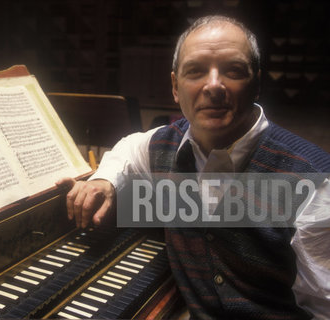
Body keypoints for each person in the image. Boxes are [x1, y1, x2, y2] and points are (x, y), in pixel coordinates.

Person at [57, 15, 330, 319]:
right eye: (196, 71)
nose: (214, 86)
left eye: (234, 71)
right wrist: (104, 180)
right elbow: (127, 149)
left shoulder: (315, 183)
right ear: (176, 87)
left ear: (257, 84)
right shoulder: (163, 146)